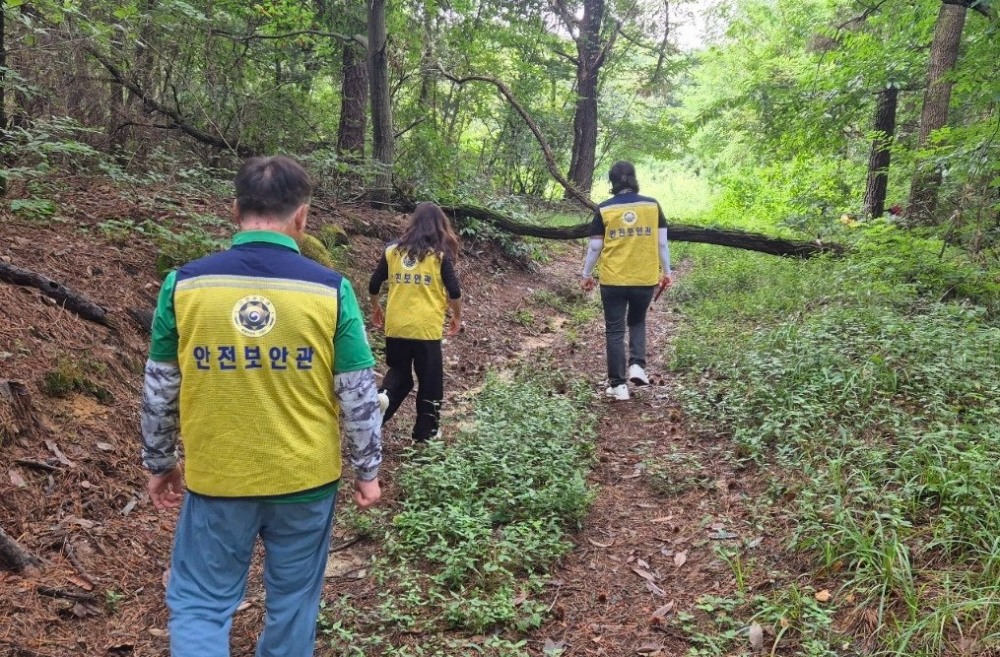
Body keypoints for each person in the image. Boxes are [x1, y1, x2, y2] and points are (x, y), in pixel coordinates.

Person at [140, 155, 383, 657]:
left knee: (201, 604)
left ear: (236, 210)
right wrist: (368, 469)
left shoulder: (184, 285)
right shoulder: (330, 290)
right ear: (302, 217)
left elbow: (160, 387)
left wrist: (159, 462)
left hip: (218, 479)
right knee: (293, 603)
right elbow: (358, 390)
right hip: (305, 481)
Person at [368, 202, 462, 443]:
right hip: (425, 330)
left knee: (400, 373)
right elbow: (453, 291)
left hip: (397, 327)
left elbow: (374, 284)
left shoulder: (392, 251)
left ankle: (383, 400)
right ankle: (425, 435)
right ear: (439, 225)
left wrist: (375, 308)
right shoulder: (439, 256)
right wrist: (457, 316)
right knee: (430, 383)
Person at [581, 161, 672, 401]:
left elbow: (595, 247)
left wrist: (586, 275)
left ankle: (618, 386)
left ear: (612, 182)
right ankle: (637, 366)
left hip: (613, 280)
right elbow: (662, 243)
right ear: (634, 178)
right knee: (637, 321)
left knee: (614, 329)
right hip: (644, 278)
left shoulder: (605, 208)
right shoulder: (652, 206)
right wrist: (667, 271)